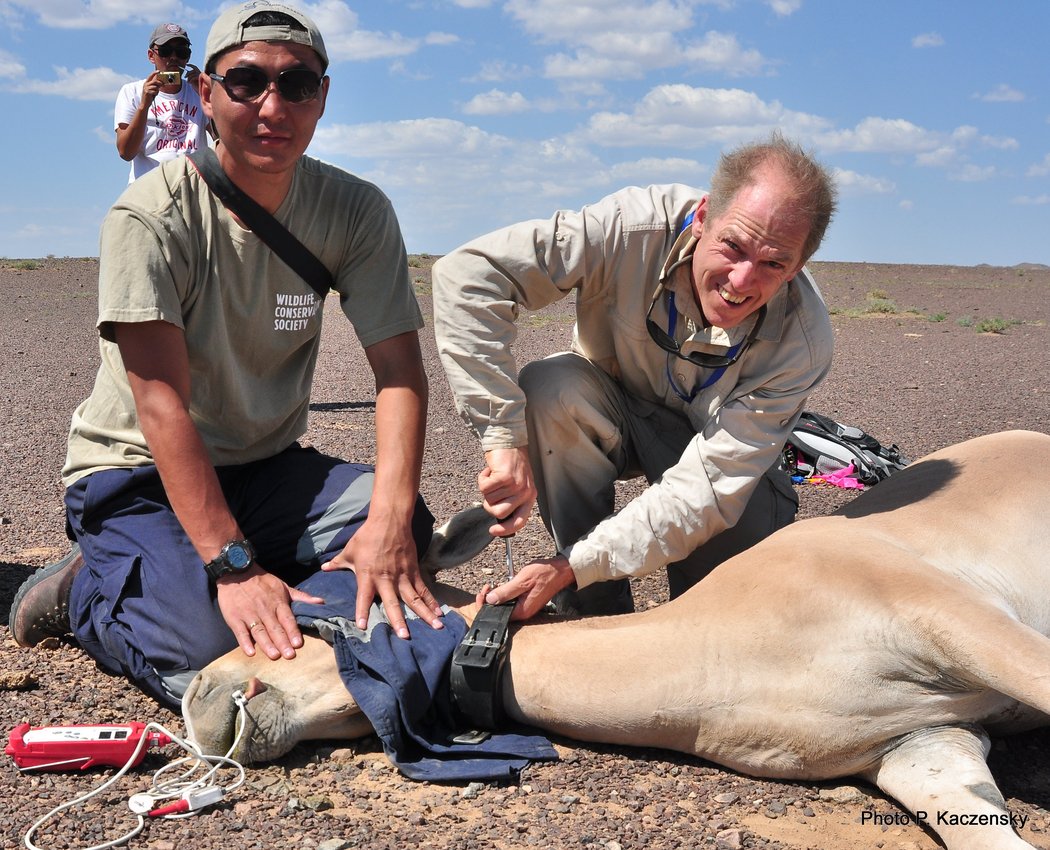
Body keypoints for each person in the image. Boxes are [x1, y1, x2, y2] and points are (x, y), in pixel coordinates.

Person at [9, 1, 444, 710]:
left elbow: (398, 373)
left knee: (406, 530)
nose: (273, 105)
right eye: (246, 82)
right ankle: (88, 588)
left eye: (297, 84)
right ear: (205, 93)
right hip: (135, 472)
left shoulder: (356, 211)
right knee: (200, 648)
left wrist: (391, 519)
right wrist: (235, 567)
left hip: (260, 465)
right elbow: (160, 403)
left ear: (323, 98)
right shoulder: (150, 216)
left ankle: (208, 572)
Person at [431, 134, 837, 620]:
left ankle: (676, 614)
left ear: (798, 267)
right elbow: (467, 277)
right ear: (703, 217)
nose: (742, 281)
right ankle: (593, 610)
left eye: (774, 263)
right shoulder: (629, 228)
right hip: (615, 418)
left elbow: (706, 491)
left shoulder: (801, 342)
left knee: (720, 611)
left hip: (717, 460)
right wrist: (503, 440)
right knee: (550, 388)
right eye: (733, 246)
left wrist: (569, 565)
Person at [114, 22, 210, 182]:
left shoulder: (198, 92)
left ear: (188, 56)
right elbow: (126, 152)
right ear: (151, 56)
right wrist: (144, 105)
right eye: (165, 51)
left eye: (181, 52)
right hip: (149, 192)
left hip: (194, 190)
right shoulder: (132, 92)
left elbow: (225, 141)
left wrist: (208, 97)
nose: (173, 57)